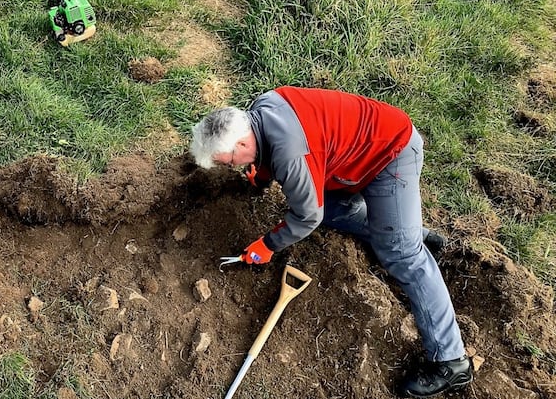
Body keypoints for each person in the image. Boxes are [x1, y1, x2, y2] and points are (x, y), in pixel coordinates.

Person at [189, 86, 473, 398]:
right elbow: (278, 155)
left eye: (229, 161)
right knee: (333, 211)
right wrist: (262, 174)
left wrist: (269, 244)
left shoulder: (290, 154)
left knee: (401, 254)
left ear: (243, 142)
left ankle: (451, 361)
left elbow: (307, 216)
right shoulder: (262, 109)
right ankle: (411, 233)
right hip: (351, 154)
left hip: (390, 152)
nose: (231, 167)